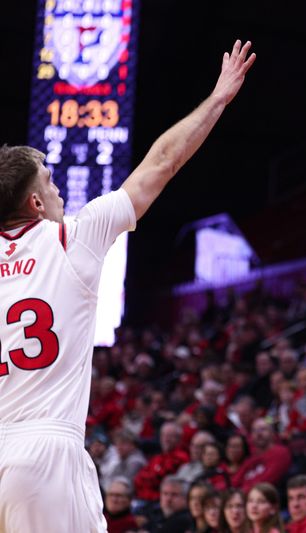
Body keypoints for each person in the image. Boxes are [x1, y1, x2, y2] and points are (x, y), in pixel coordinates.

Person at [0, 40, 255, 532]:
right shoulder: (73, 237)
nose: (58, 189)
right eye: (49, 181)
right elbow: (161, 163)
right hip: (45, 451)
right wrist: (218, 99)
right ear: (34, 203)